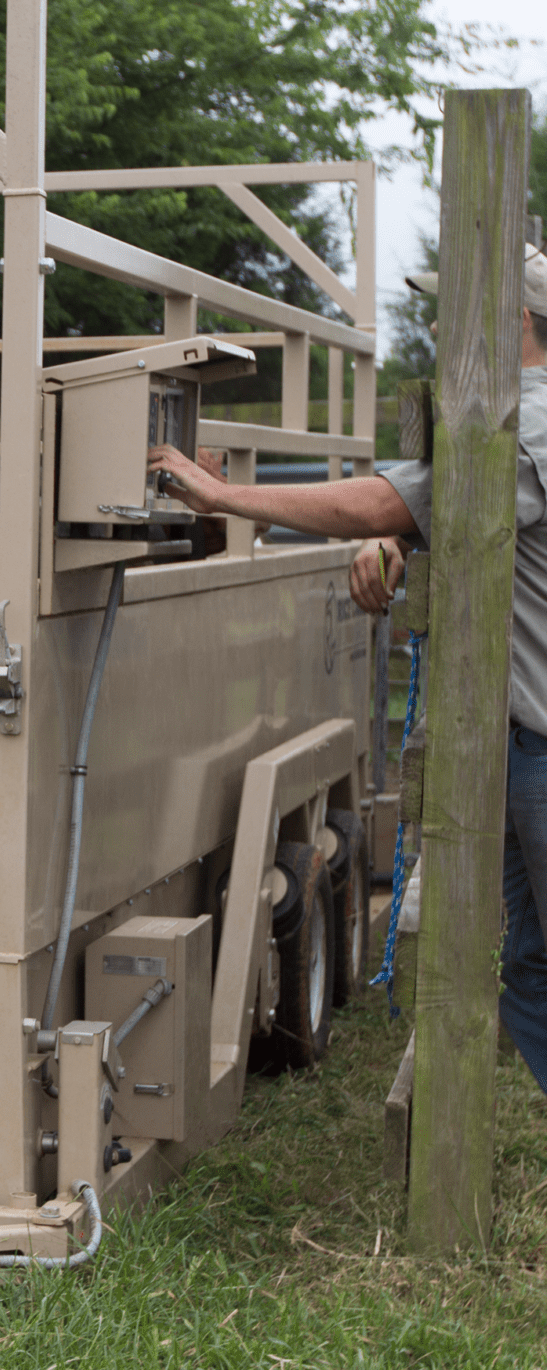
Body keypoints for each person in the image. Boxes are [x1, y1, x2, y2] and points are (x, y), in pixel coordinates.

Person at [147, 244, 547, 1098]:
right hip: (521, 744)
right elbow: (447, 515)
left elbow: (385, 498)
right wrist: (399, 538)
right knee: (530, 963)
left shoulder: (528, 420)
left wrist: (222, 498)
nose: (440, 324)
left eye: (458, 307)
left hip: (543, 750)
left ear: (513, 320)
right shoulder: (511, 418)